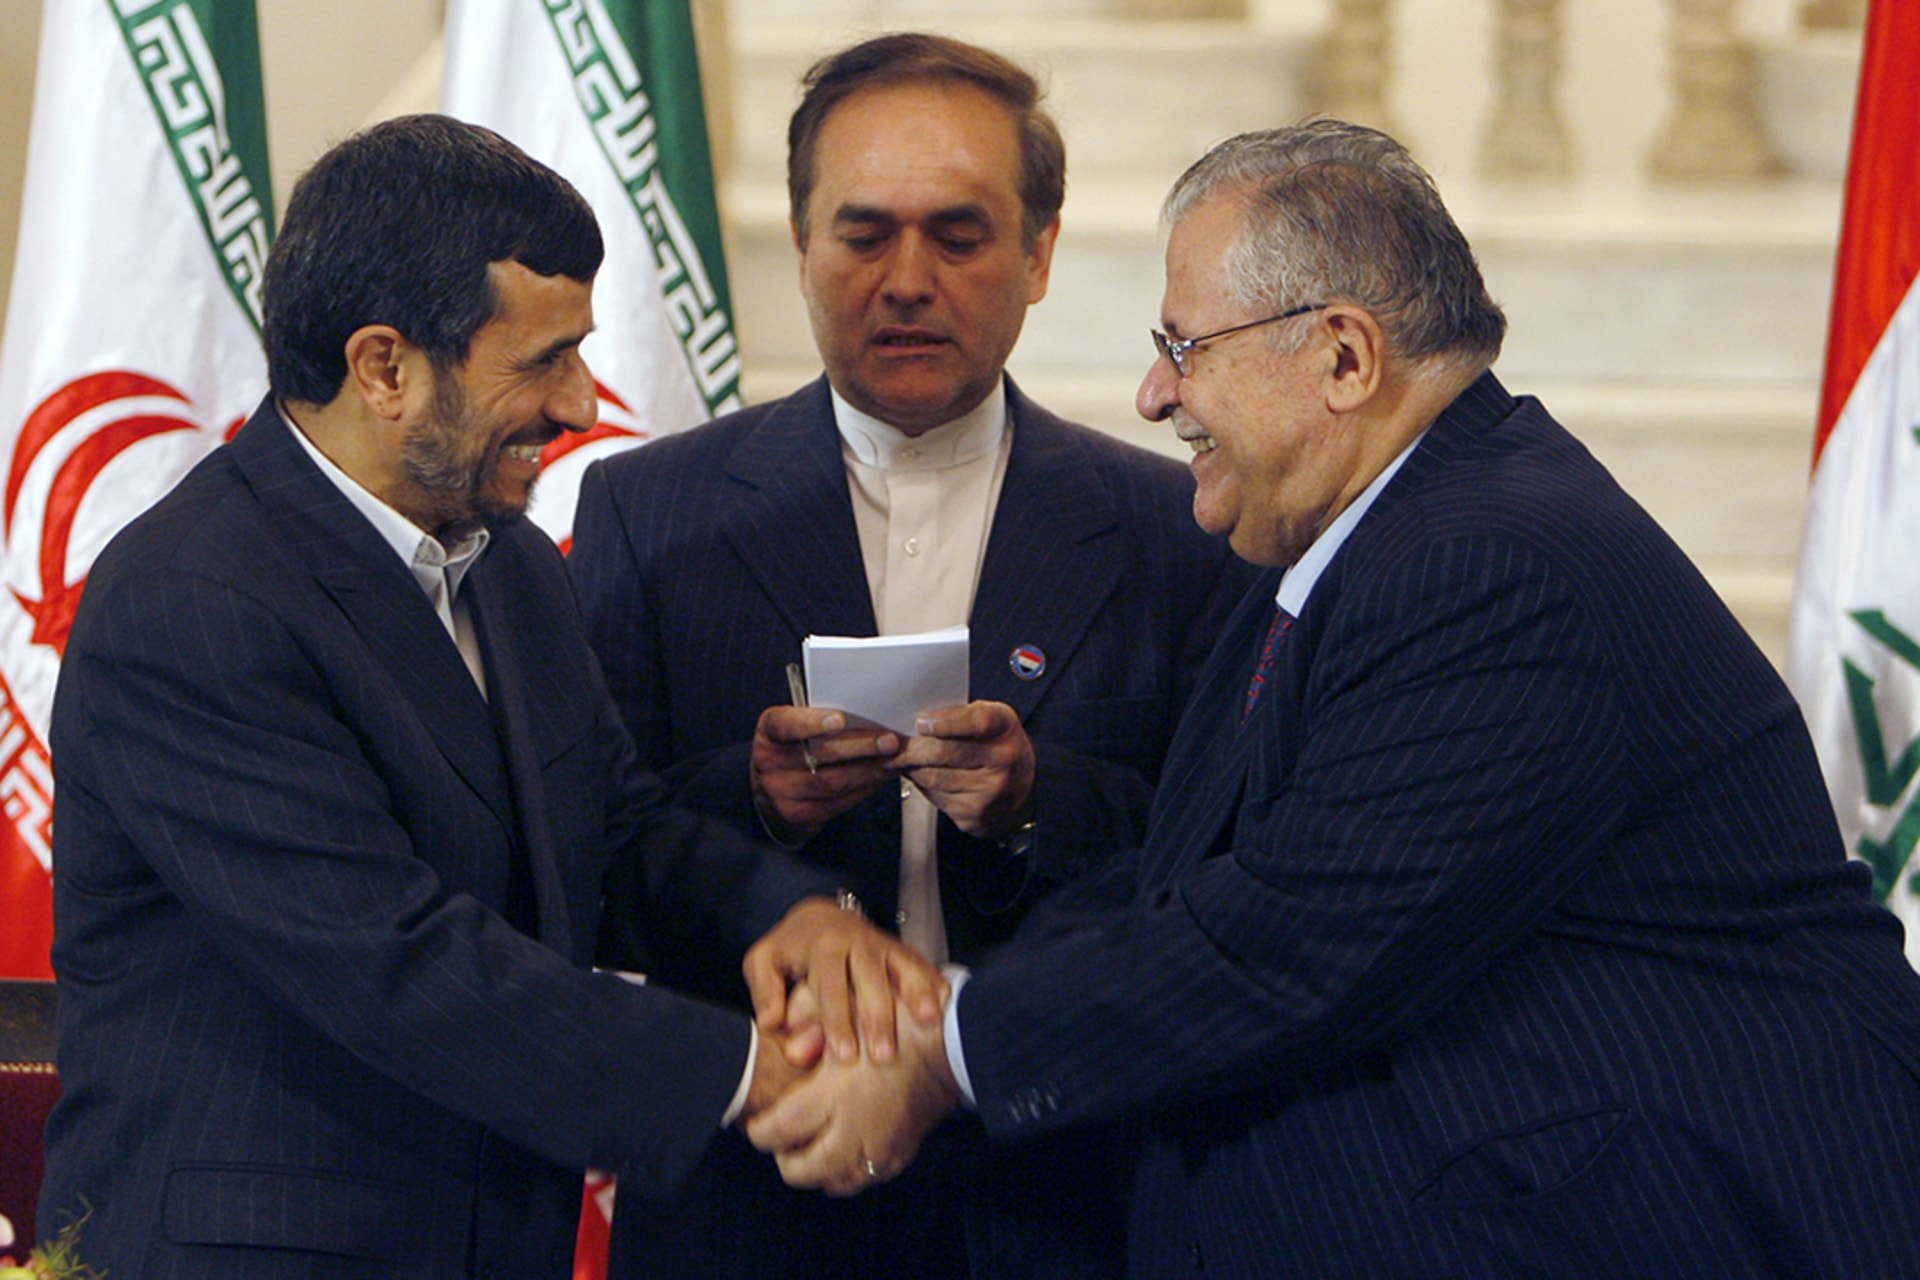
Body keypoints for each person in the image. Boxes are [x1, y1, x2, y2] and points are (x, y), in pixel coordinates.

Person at [746, 120, 1920, 1278]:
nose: (1156, 394)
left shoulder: (1496, 563)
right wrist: (932, 1003)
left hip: (1649, 1212)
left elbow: (1283, 940)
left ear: (1345, 358)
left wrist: (944, 1051)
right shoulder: (1355, 540)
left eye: (1183, 345)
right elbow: (1187, 879)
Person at [36, 114, 940, 1280]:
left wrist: (791, 917)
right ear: (384, 365)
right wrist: (760, 1071)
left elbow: (615, 828)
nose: (578, 404)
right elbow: (395, 963)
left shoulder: (502, 559)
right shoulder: (191, 601)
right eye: (541, 358)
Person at [568, 31, 1249, 1280]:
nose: (908, 279)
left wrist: (1041, 803)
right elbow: (583, 854)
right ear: (801, 239)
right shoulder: (648, 511)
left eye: (959, 234)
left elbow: (1225, 863)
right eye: (864, 232)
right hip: (749, 1187)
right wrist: (754, 801)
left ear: (1038, 254)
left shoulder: (1178, 528)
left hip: (1063, 1192)